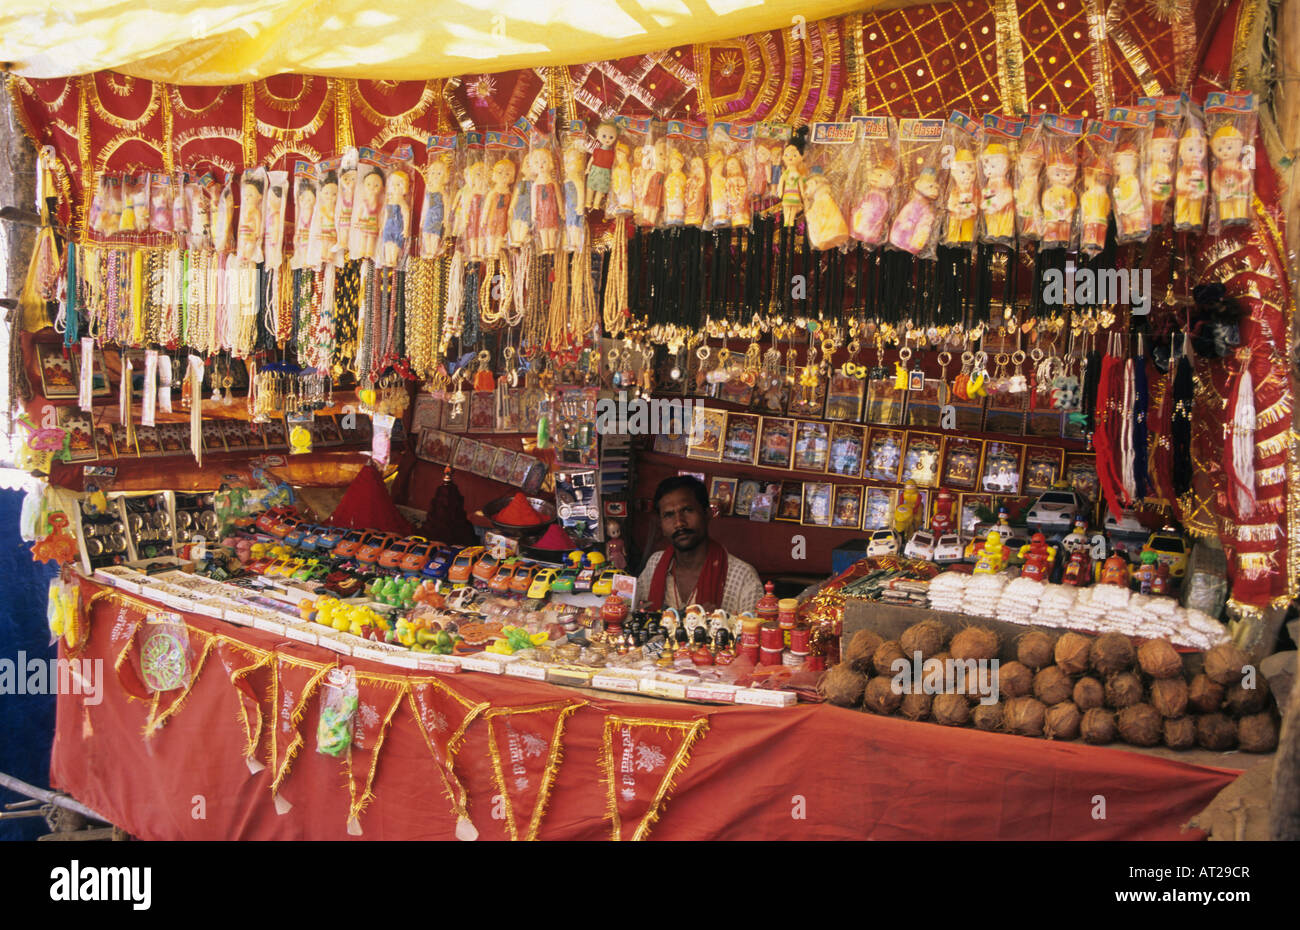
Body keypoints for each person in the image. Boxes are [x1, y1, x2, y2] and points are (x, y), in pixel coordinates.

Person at [637, 475, 764, 614]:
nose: (679, 523)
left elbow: (755, 632)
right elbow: (635, 613)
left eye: (687, 510)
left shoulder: (742, 577)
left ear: (707, 514)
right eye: (668, 515)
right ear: (661, 524)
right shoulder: (655, 564)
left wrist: (722, 624)